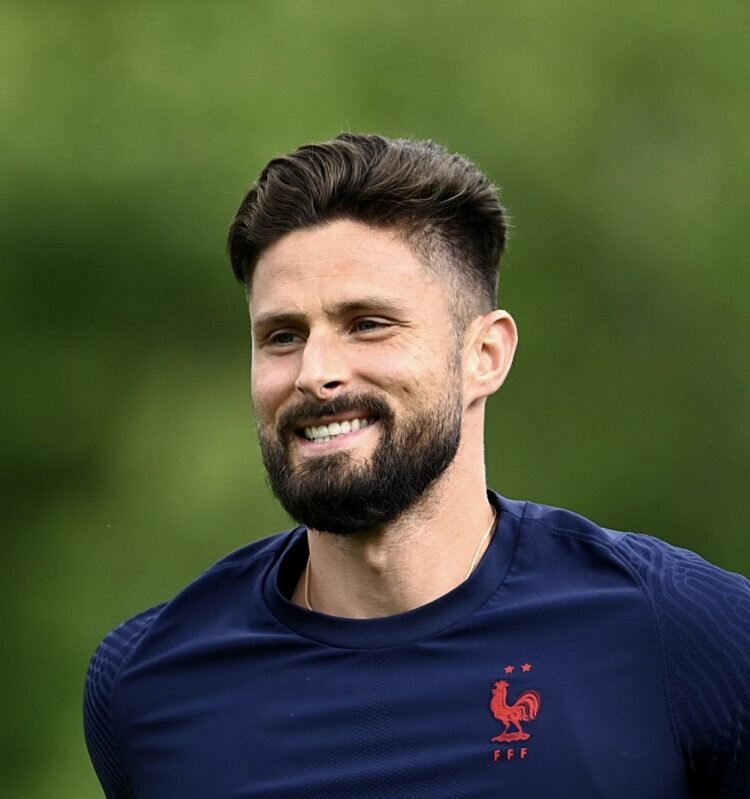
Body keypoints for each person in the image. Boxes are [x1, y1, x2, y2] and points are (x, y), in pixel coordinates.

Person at [84, 133, 750, 798]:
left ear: (484, 355)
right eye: (283, 336)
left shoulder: (683, 631)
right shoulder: (149, 684)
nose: (315, 373)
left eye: (368, 323)